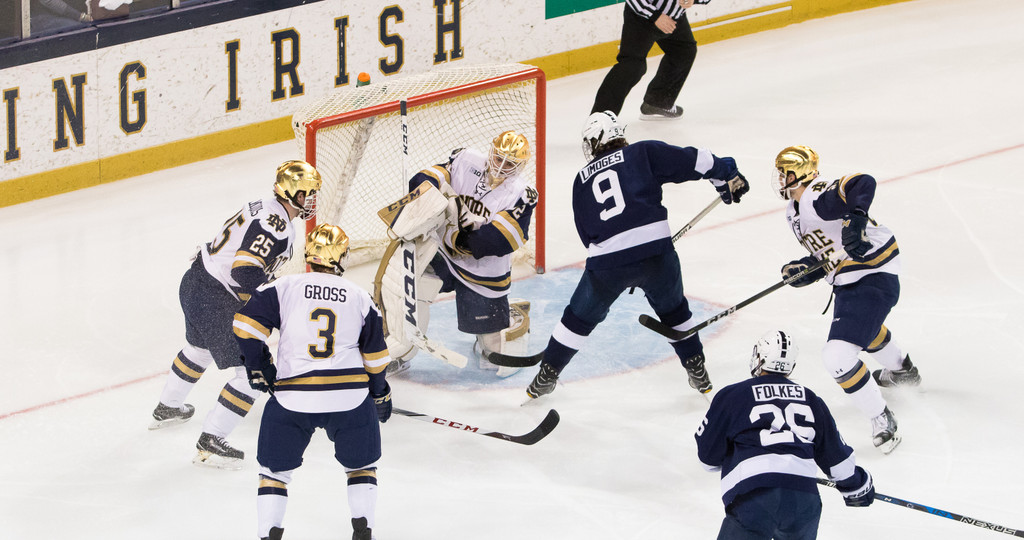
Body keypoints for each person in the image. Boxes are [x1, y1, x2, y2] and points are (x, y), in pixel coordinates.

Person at [524, 111, 749, 400]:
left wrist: (618, 259)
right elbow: (695, 160)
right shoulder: (642, 152)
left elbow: (586, 236)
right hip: (656, 254)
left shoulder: (580, 179)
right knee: (674, 311)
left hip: (607, 265)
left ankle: (548, 373)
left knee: (578, 317)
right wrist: (727, 174)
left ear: (594, 142)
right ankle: (697, 368)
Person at [148, 160, 322, 469]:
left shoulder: (268, 208)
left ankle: (168, 406)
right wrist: (271, 304)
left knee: (198, 350)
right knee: (251, 374)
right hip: (214, 296)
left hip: (196, 282)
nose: (312, 201)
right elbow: (245, 270)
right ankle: (211, 441)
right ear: (292, 194)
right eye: (308, 195)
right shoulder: (275, 225)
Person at [233, 223, 392, 540]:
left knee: (274, 474)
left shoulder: (285, 287)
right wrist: (379, 394)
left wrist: (259, 364)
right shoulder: (360, 297)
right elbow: (375, 358)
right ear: (341, 256)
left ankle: (268, 535)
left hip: (293, 398)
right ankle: (363, 532)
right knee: (361, 468)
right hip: (348, 400)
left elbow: (245, 326)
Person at [774, 145, 921, 454]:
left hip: (871, 274)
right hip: (849, 282)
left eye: (784, 172)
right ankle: (902, 371)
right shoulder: (794, 212)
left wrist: (856, 217)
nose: (779, 179)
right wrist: (806, 269)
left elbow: (862, 182)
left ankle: (881, 418)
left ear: (798, 174)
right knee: (861, 331)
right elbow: (827, 254)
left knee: (837, 357)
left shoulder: (816, 196)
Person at [378, 130, 538, 378]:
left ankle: (510, 320)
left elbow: (500, 240)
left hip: (483, 272)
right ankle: (401, 352)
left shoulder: (521, 193)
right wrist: (423, 193)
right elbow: (430, 176)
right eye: (498, 159)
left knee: (493, 360)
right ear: (491, 152)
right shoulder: (466, 160)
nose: (502, 167)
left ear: (520, 166)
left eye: (510, 164)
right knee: (408, 291)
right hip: (441, 253)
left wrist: (457, 237)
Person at [696, 330, 875, 539]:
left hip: (754, 496)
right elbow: (839, 463)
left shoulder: (732, 395)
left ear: (759, 358)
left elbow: (707, 459)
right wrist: (857, 485)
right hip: (803, 499)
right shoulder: (810, 399)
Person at [591, 0, 709, 120]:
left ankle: (658, 102)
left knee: (683, 51)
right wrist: (655, 16)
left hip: (673, 17)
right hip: (641, 17)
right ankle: (599, 120)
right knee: (632, 66)